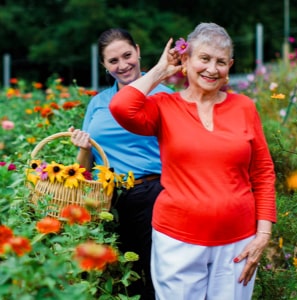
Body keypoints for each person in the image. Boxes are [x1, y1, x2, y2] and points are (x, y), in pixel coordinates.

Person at [109, 22, 277, 300]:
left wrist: (263, 234)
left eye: (221, 62)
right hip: (177, 239)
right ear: (186, 60)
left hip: (238, 242)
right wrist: (161, 70)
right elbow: (120, 106)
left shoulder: (244, 107)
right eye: (205, 59)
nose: (212, 69)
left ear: (230, 66)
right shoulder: (164, 106)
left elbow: (262, 172)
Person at [69, 28, 173, 299]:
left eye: (127, 55)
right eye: (113, 61)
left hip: (156, 195)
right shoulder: (98, 103)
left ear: (138, 51)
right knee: (128, 280)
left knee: (156, 276)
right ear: (104, 65)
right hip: (111, 202)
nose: (123, 65)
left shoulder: (165, 96)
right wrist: (82, 148)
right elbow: (84, 167)